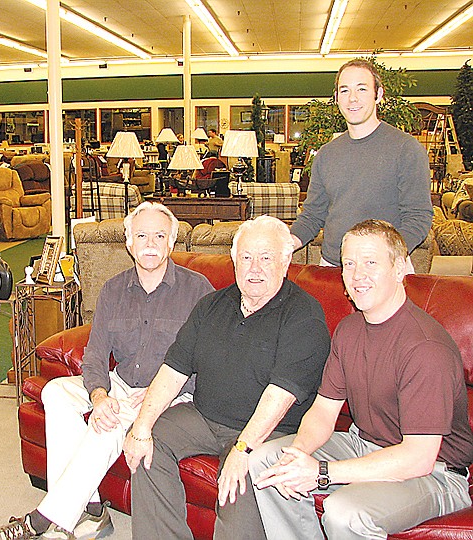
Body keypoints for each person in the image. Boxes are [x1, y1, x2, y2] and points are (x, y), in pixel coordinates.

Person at [0, 201, 214, 540]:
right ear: (129, 243)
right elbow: (96, 353)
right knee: (55, 392)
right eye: (142, 235)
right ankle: (90, 510)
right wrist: (99, 394)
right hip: (119, 384)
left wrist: (159, 394)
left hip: (168, 394)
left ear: (171, 243)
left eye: (160, 236)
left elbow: (206, 360)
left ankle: (45, 522)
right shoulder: (113, 290)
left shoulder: (198, 290)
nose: (150, 243)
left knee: (108, 426)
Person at [251, 219, 473, 540]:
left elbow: (418, 457)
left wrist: (322, 473)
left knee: (345, 512)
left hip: (435, 473)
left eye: (371, 262)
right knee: (266, 461)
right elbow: (324, 412)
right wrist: (298, 456)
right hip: (362, 445)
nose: (357, 275)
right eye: (349, 264)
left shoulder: (425, 348)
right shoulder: (349, 329)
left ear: (399, 270)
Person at [123, 215, 331, 540]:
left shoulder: (303, 315)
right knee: (151, 441)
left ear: (286, 261)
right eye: (246, 257)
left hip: (268, 433)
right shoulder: (211, 305)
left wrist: (243, 449)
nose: (255, 268)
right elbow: (174, 368)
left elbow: (282, 393)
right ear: (234, 259)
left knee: (239, 486)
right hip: (204, 416)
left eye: (266, 258)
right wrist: (141, 428)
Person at [289, 59, 433, 269]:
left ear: (379, 95)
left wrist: (385, 258)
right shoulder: (326, 155)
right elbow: (312, 216)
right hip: (332, 267)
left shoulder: (406, 149)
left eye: (362, 89)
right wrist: (284, 244)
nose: (353, 98)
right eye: (344, 90)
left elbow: (418, 217)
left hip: (385, 269)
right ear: (337, 98)